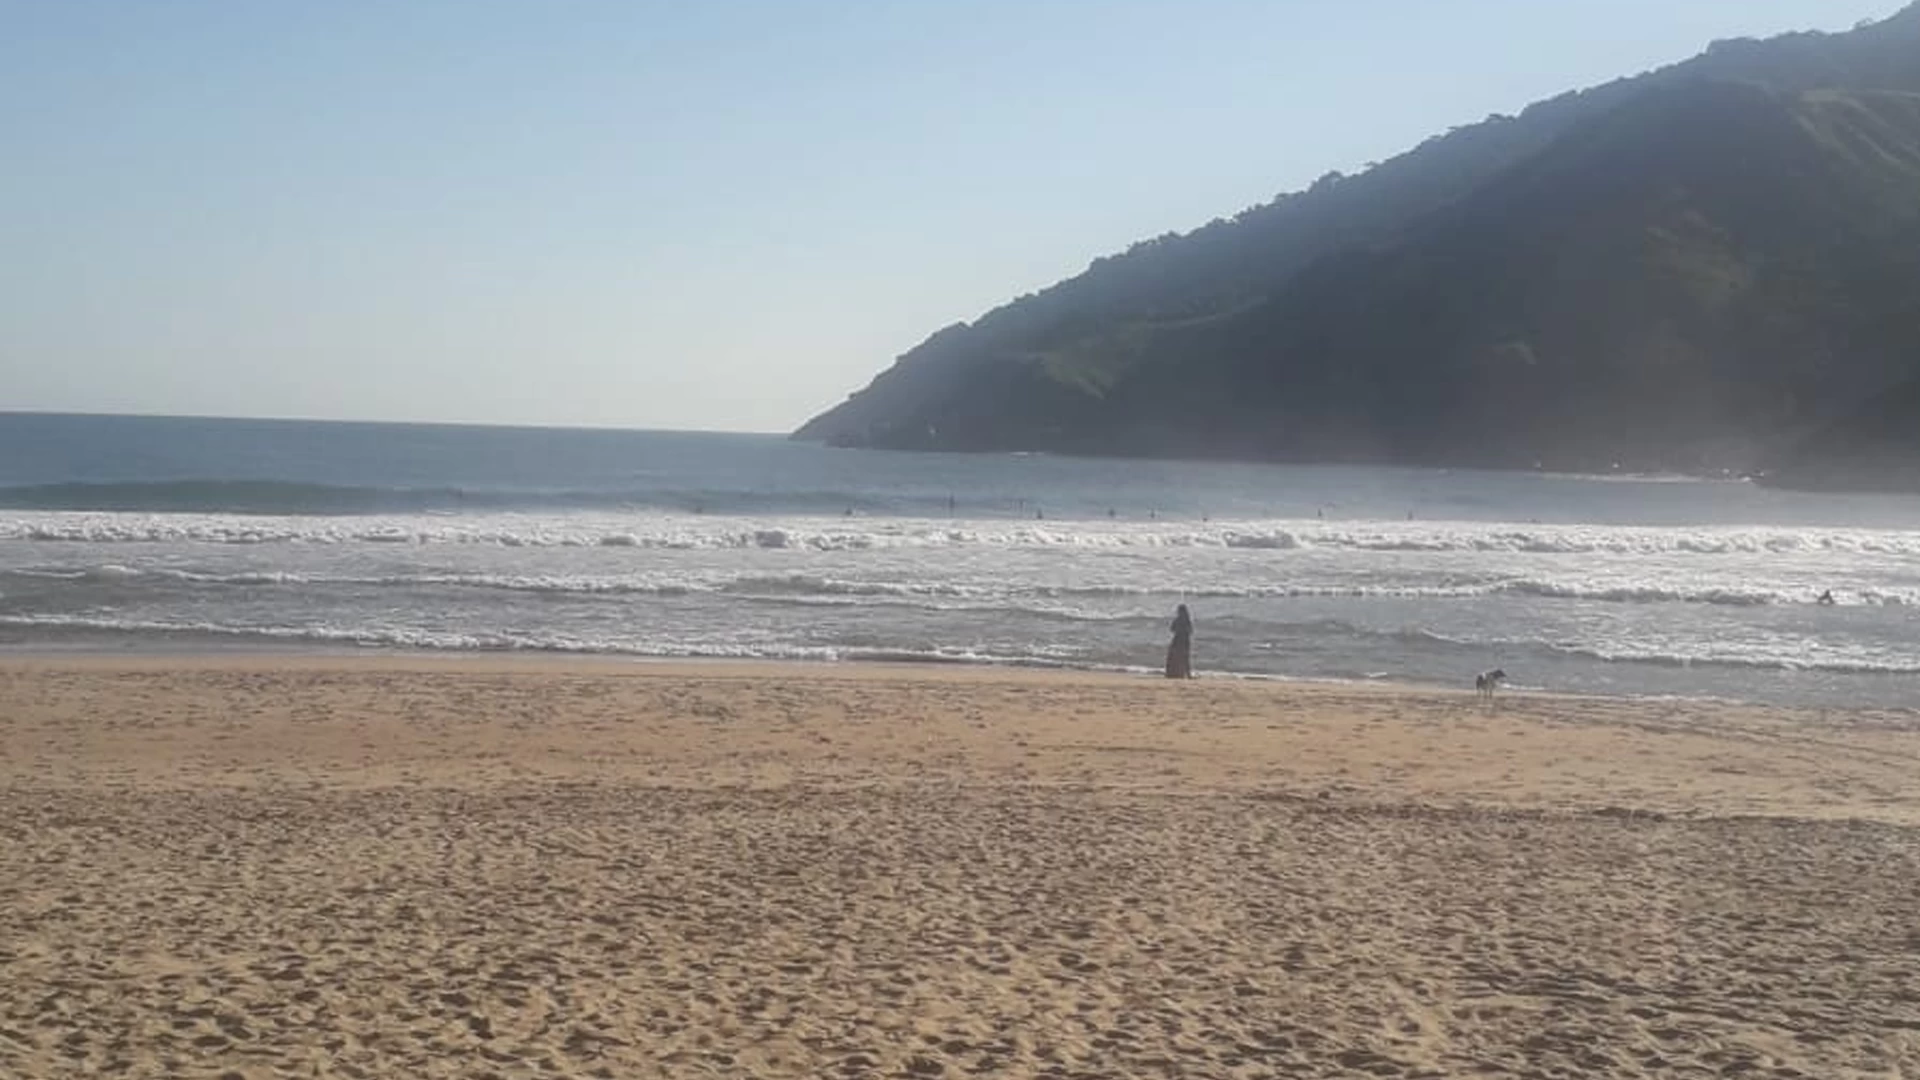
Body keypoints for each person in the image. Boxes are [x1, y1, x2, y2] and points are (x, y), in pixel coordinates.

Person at [1165, 604, 1194, 679]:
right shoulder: (1187, 620)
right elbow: (1190, 631)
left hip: (1178, 640)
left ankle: (1173, 673)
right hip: (1184, 640)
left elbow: (1172, 629)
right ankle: (1187, 674)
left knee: (1174, 657)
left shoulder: (1177, 620)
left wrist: (1179, 630)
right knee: (1185, 658)